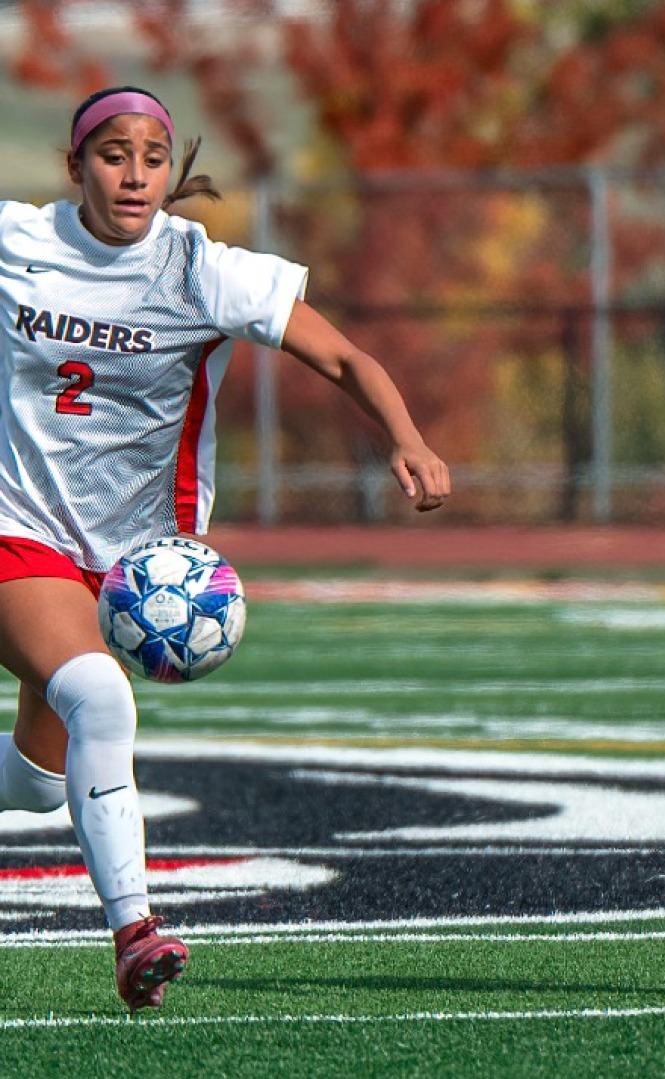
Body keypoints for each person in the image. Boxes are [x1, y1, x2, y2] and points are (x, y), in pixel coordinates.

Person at [0, 86, 452, 1012]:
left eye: (153, 157)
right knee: (100, 694)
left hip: (129, 563)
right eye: (113, 154)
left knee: (39, 785)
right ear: (75, 165)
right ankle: (134, 931)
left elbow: (344, 360)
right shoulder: (18, 242)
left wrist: (405, 434)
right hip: (16, 529)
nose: (134, 174)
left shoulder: (202, 269)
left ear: (172, 171)